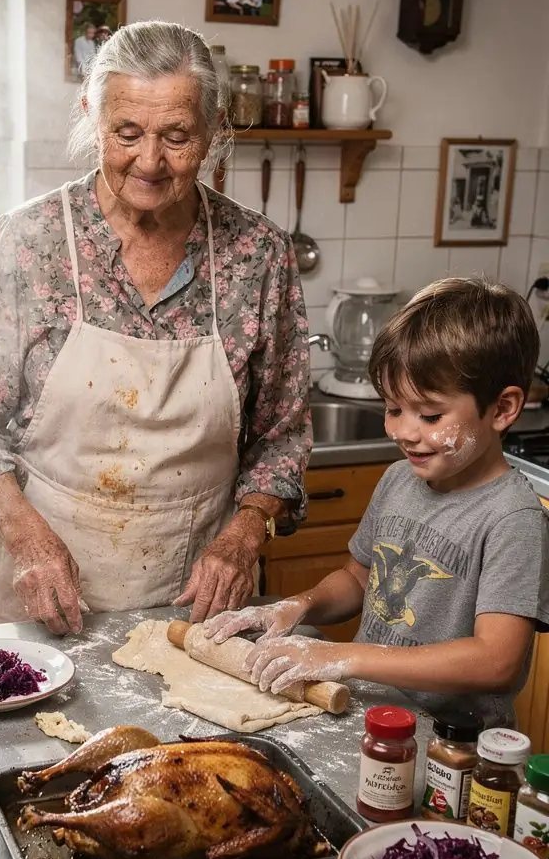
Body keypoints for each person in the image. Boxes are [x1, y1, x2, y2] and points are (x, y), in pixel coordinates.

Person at [0, 19, 311, 634]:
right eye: (127, 133)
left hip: (194, 590)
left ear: (215, 130)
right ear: (93, 118)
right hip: (42, 581)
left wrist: (245, 535)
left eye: (177, 137)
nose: (150, 161)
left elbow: (282, 437)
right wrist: (26, 535)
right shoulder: (30, 241)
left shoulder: (258, 254)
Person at [207, 277, 549, 727]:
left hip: (450, 745)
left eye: (430, 415)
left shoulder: (513, 518)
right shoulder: (398, 480)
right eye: (393, 409)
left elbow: (496, 660)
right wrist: (298, 606)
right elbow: (357, 578)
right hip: (371, 718)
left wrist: (343, 656)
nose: (404, 432)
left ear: (503, 409)